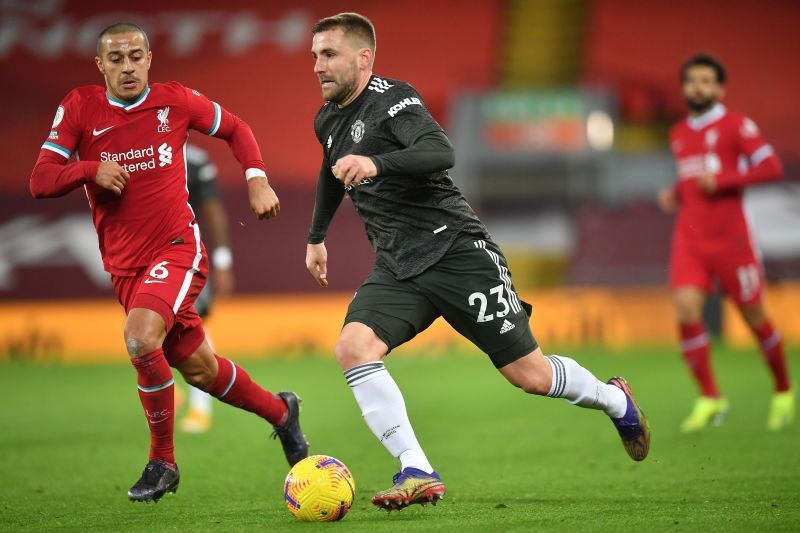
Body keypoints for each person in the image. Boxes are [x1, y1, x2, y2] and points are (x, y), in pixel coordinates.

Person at [305, 12, 650, 512]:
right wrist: (316, 237)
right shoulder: (327, 119)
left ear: (364, 58)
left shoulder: (394, 100)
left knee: (528, 375)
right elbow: (330, 171)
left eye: (329, 54)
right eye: (315, 55)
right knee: (354, 348)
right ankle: (417, 468)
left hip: (457, 253)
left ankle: (616, 401)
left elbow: (439, 151)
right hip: (398, 266)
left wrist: (377, 162)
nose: (318, 65)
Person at [29, 22, 308, 502]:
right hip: (124, 265)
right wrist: (90, 169)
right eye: (116, 59)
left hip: (177, 247)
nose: (128, 66)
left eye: (135, 56)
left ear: (150, 58)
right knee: (199, 369)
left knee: (140, 338)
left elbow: (236, 128)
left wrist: (257, 177)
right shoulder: (80, 108)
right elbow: (41, 180)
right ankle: (283, 413)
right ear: (100, 66)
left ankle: (163, 462)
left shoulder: (175, 101)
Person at [658, 53, 794, 433]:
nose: (697, 87)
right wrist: (675, 193)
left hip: (732, 241)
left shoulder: (737, 126)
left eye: (705, 81)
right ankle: (710, 397)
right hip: (690, 238)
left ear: (719, 88)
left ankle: (783, 388)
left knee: (754, 318)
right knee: (685, 310)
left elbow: (771, 167)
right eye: (691, 81)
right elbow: (692, 181)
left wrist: (724, 180)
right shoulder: (678, 133)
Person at [176, 144, 235, 434]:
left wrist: (222, 261)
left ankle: (201, 407)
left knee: (191, 325)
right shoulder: (131, 150)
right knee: (148, 329)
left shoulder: (194, 161)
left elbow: (213, 211)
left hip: (183, 254)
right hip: (142, 257)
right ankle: (169, 388)